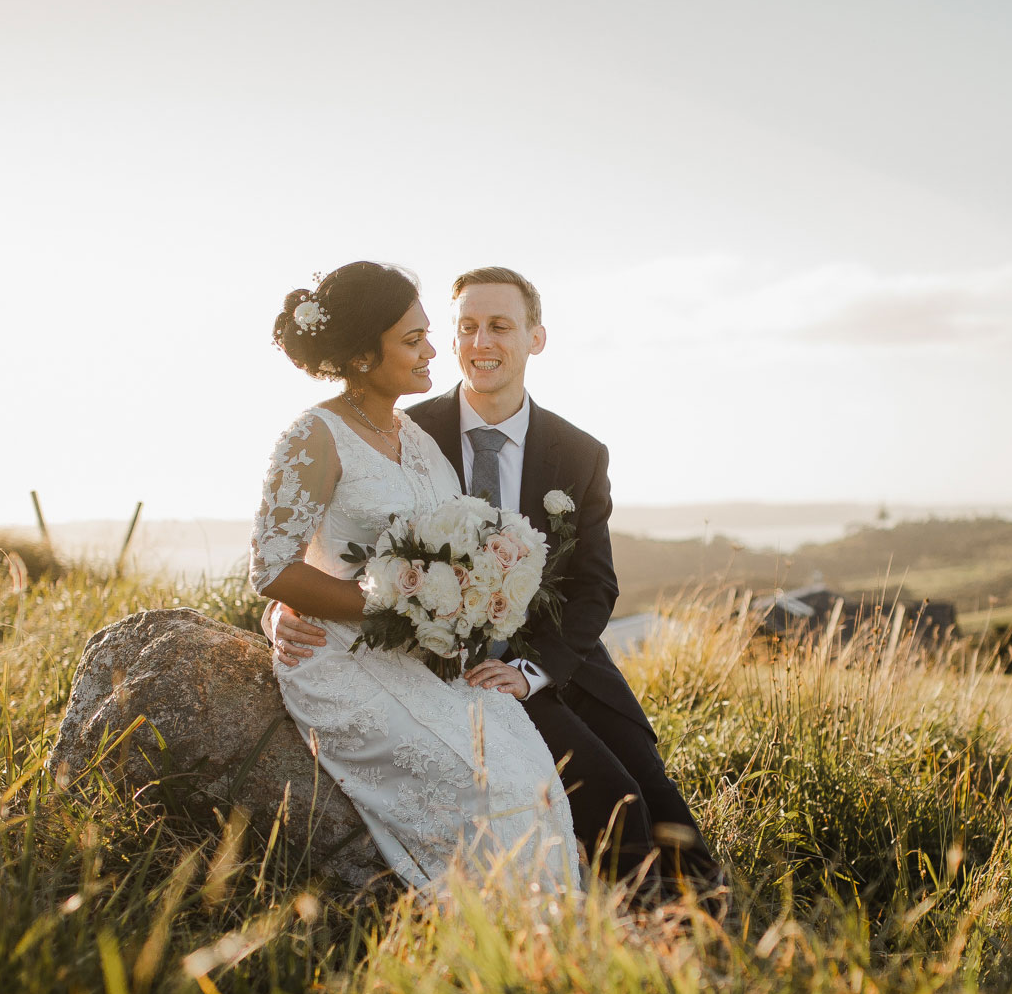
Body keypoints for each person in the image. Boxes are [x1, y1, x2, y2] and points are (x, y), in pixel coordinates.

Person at [267, 267, 716, 896]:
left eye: (500, 326)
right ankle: (612, 934)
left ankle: (712, 928)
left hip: (556, 658)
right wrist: (296, 604)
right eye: (466, 327)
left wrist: (536, 672)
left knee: (653, 790)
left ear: (536, 338)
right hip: (439, 660)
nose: (481, 342)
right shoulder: (406, 426)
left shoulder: (578, 452)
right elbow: (310, 544)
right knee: (608, 799)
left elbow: (594, 588)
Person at [249, 261, 578, 896]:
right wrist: (384, 611)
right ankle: (496, 937)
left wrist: (468, 598)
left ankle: (554, 944)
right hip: (338, 658)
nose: (434, 350)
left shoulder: (417, 438)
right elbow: (272, 566)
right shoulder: (315, 436)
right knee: (487, 789)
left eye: (428, 333)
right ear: (363, 355)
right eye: (412, 340)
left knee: (526, 763)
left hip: (423, 652)